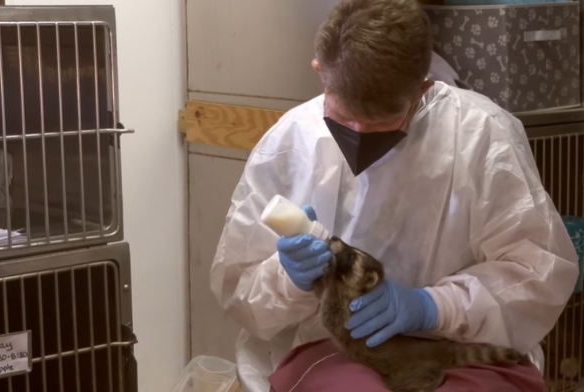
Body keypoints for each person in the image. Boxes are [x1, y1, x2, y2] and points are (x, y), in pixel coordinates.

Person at [208, 0, 580, 391]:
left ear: (423, 87)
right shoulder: (289, 144)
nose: (359, 133)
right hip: (337, 349)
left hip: (463, 345)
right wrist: (288, 279)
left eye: (381, 121)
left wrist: (432, 307)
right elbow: (240, 291)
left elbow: (537, 276)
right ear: (321, 73)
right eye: (343, 116)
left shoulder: (482, 137)